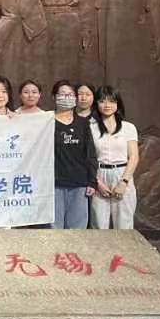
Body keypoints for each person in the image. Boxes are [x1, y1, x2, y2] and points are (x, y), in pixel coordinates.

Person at [90, 86, 139, 229]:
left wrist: (124, 182)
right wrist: (97, 182)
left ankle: (124, 247)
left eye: (111, 101)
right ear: (96, 104)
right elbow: (87, 158)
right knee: (99, 225)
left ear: (118, 104)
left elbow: (134, 156)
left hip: (122, 174)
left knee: (124, 225)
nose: (107, 105)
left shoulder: (128, 127)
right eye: (102, 101)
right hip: (99, 175)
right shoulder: (90, 127)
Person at [51, 79, 97, 229]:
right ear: (54, 97)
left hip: (79, 184)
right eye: (62, 94)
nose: (66, 97)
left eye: (70, 94)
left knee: (77, 230)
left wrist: (92, 181)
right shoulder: (46, 121)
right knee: (54, 229)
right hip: (53, 184)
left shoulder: (83, 123)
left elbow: (90, 153)